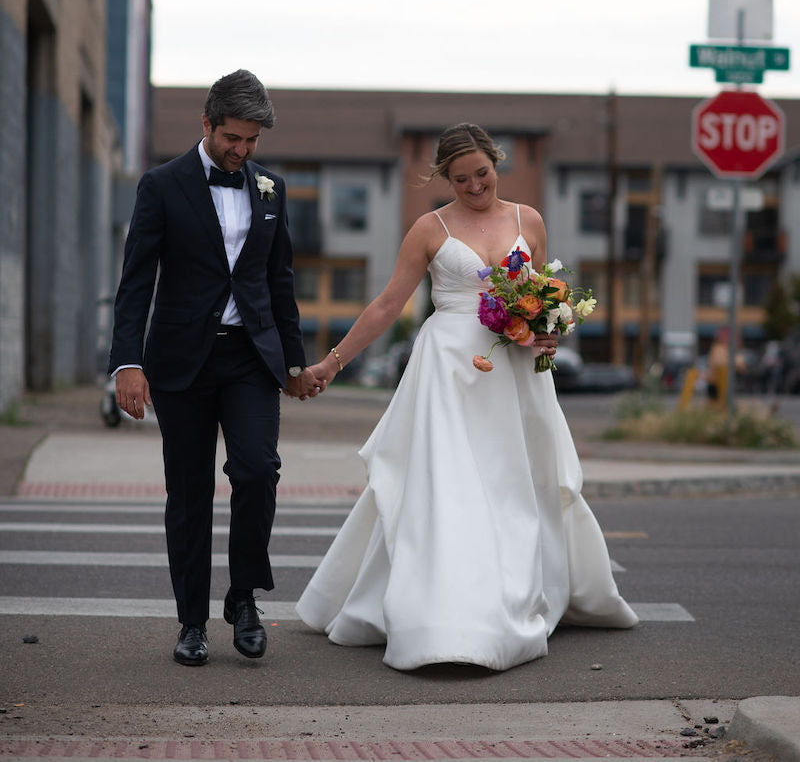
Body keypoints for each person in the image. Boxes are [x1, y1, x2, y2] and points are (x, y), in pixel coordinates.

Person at [297, 123, 638, 671]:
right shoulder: (428, 229)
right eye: (460, 179)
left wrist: (551, 331)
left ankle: (519, 590)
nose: (474, 186)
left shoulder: (530, 220)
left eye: (482, 173)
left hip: (518, 371)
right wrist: (332, 363)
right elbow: (388, 304)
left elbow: (546, 295)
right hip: (449, 375)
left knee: (515, 485)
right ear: (443, 178)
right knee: (452, 488)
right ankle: (450, 610)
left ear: (495, 163)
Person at [109, 69, 319, 667]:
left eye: (252, 141)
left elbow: (280, 282)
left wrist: (295, 360)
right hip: (180, 362)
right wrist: (127, 362)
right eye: (233, 137)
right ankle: (192, 622)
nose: (243, 150)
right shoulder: (162, 185)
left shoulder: (272, 189)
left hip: (251, 356)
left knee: (256, 471)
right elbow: (135, 281)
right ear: (206, 124)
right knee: (190, 491)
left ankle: (244, 598)